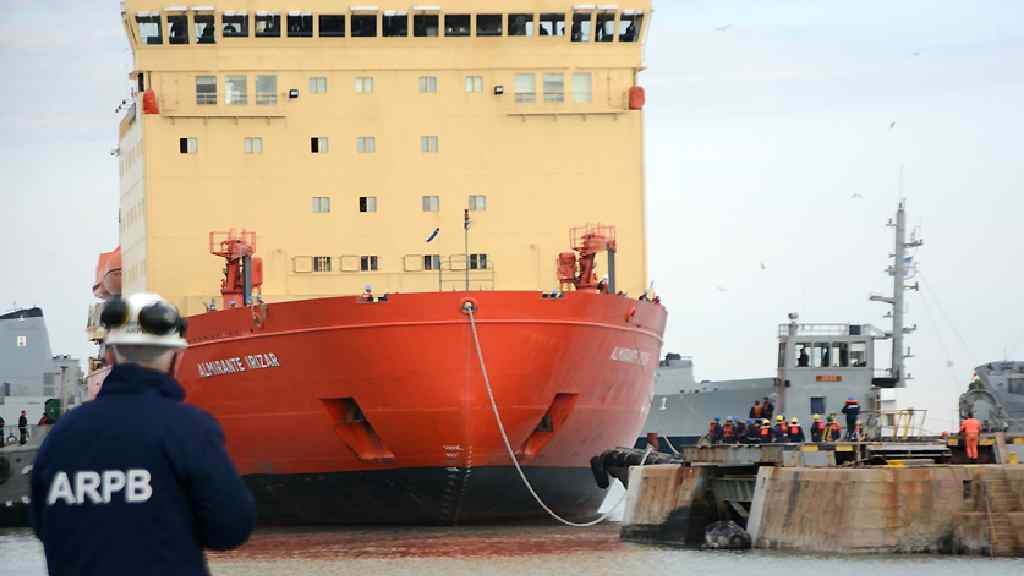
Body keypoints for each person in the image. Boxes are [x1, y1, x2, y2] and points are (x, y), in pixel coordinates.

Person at [31, 293, 256, 575]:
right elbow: (231, 529)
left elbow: (43, 527)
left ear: (110, 355)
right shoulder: (189, 429)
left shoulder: (61, 436)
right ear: (178, 356)